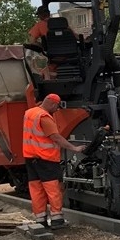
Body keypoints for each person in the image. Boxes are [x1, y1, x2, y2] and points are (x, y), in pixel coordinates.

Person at [22, 93, 87, 228]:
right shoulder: (44, 117)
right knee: (54, 189)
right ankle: (57, 219)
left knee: (37, 189)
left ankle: (40, 220)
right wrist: (74, 148)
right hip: (46, 159)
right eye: (57, 107)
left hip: (30, 158)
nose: (57, 110)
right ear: (52, 104)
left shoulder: (30, 113)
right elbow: (56, 137)